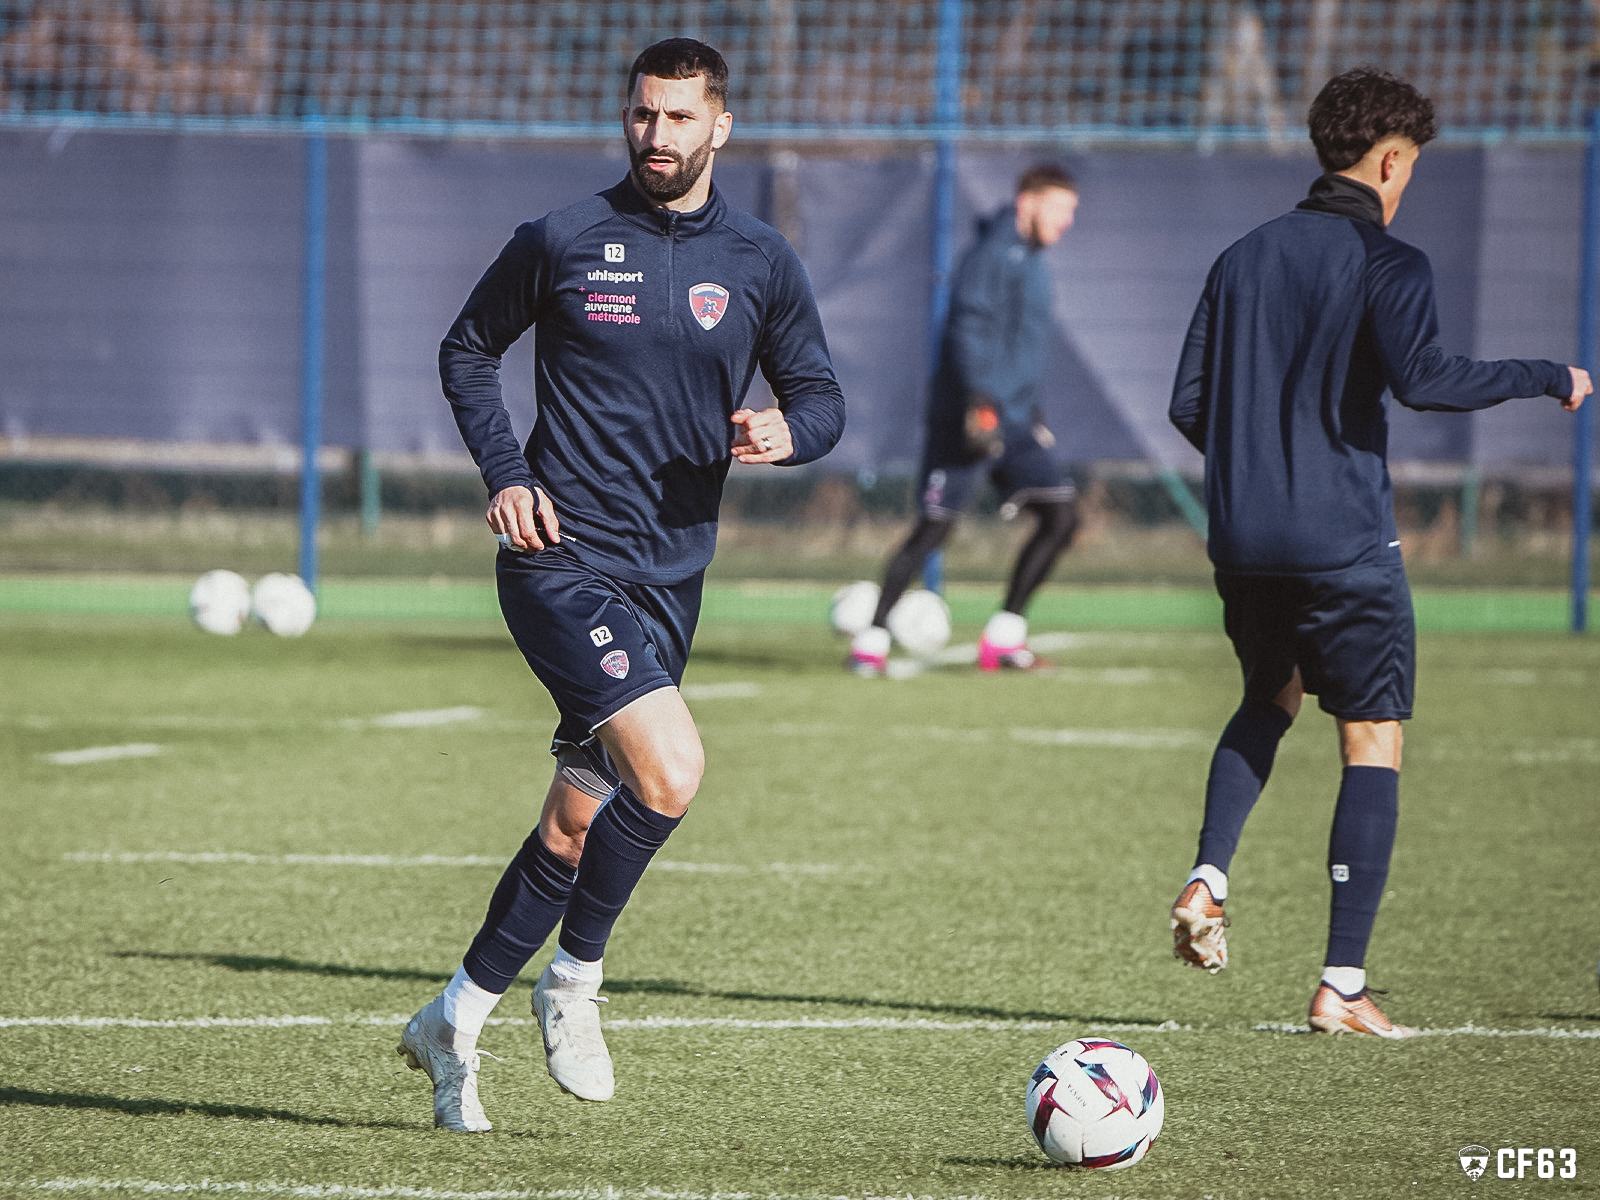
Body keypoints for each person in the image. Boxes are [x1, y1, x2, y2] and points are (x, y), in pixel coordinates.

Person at [397, 38, 845, 1131]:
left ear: (720, 126)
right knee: (674, 770)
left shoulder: (760, 260)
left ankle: (452, 1017)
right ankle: (574, 983)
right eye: (644, 114)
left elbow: (822, 399)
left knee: (572, 826)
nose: (657, 134)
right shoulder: (561, 239)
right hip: (559, 559)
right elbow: (466, 351)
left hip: (670, 578)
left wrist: (788, 433)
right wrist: (507, 475)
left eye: (680, 117)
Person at [1166, 68, 1591, 1037]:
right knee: (1372, 736)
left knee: (1268, 698)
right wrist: (1546, 374)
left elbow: (1189, 405)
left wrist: (1259, 465)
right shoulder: (1386, 259)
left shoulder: (1241, 257)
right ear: (1392, 159)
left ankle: (1208, 875)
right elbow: (1426, 380)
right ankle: (1342, 986)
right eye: (1413, 167)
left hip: (1242, 540)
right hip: (1344, 544)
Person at [849, 165, 1082, 675]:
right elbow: (968, 328)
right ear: (1028, 202)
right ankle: (871, 640)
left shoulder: (1032, 260)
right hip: (972, 416)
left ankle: (1004, 638)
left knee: (1061, 516)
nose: (1067, 222)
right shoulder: (993, 253)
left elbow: (1017, 349)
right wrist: (980, 400)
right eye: (1060, 209)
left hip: (1015, 420)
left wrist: (1030, 411)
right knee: (934, 527)